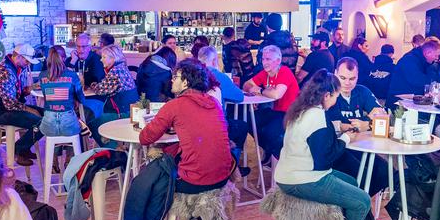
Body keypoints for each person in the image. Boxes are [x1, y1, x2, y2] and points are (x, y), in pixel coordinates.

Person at [275, 72, 371, 220]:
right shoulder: (317, 117)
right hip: (304, 179)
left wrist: (338, 135)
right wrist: (345, 139)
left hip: (290, 174)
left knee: (352, 182)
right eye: (335, 96)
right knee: (363, 201)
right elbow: (323, 161)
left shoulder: (302, 109)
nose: (336, 100)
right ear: (327, 95)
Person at [140, 59, 234, 193]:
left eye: (175, 77)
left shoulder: (174, 106)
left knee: (150, 178)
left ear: (185, 82)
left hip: (193, 181)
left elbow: (145, 138)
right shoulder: (214, 102)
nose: (172, 80)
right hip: (223, 176)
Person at [328, 58, 388, 195]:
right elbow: (332, 124)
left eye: (352, 78)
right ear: (335, 73)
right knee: (363, 174)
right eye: (343, 78)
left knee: (384, 170)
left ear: (357, 76)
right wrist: (359, 124)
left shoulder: (362, 91)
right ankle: (358, 202)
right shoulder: (329, 93)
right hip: (337, 146)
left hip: (360, 143)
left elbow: (381, 114)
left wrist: (366, 124)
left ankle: (365, 203)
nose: (347, 83)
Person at [0, 43, 44, 165]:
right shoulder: (5, 72)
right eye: (27, 61)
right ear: (18, 56)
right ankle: (17, 150)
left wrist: (29, 89)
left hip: (9, 108)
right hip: (1, 112)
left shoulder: (15, 69)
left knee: (46, 115)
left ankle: (24, 148)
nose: (28, 64)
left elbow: (14, 95)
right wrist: (29, 110)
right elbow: (10, 104)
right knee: (41, 123)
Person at [243, 45, 299, 161]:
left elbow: (276, 94)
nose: (264, 62)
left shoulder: (284, 71)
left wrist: (260, 90)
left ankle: (277, 156)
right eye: (263, 59)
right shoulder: (265, 73)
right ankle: (269, 150)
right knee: (248, 121)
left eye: (268, 59)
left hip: (291, 113)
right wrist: (255, 90)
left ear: (278, 61)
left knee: (270, 131)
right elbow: (246, 85)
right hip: (276, 112)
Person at [87, 44, 139, 140]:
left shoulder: (115, 72)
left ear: (113, 58)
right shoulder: (122, 68)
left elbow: (100, 90)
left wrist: (93, 85)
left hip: (122, 113)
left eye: (104, 57)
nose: (101, 60)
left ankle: (111, 146)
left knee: (91, 126)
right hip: (131, 111)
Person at [39, 46, 84, 139]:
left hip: (48, 126)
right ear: (63, 58)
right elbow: (81, 99)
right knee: (80, 127)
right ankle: (73, 148)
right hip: (69, 123)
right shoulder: (72, 75)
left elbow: (47, 95)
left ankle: (55, 148)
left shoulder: (42, 75)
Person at [386, 38, 440, 108]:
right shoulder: (409, 60)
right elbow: (418, 80)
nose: (437, 58)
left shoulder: (423, 62)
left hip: (411, 102)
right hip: (398, 103)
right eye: (436, 55)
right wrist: (437, 81)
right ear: (428, 53)